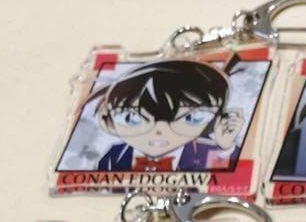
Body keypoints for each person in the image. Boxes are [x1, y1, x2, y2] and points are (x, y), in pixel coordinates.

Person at [89, 60, 244, 172]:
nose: (160, 131)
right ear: (107, 120)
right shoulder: (115, 155)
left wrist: (226, 146)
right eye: (131, 119)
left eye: (191, 118)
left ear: (215, 119)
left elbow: (232, 175)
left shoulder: (209, 152)